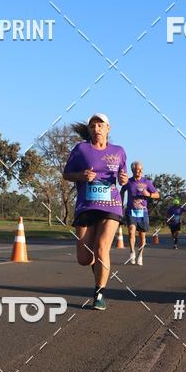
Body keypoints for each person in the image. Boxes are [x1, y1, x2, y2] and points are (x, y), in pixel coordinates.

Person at [63, 114, 128, 311]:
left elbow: (122, 177)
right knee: (84, 258)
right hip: (86, 205)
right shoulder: (81, 149)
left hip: (111, 205)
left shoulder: (119, 152)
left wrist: (124, 180)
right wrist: (81, 175)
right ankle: (98, 268)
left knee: (102, 247)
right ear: (89, 129)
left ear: (108, 128)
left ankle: (99, 293)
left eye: (100, 125)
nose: (96, 128)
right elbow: (66, 174)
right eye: (92, 126)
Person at [120, 161, 159, 266]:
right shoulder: (128, 182)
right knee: (131, 231)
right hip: (131, 211)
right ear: (133, 170)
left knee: (142, 236)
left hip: (143, 212)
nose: (140, 171)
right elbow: (122, 190)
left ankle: (140, 255)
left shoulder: (147, 182)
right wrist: (120, 203)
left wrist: (148, 194)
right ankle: (132, 251)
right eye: (138, 169)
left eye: (141, 169)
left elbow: (157, 195)